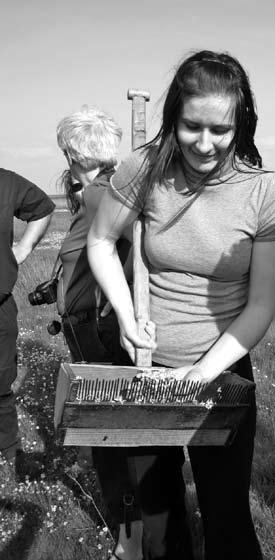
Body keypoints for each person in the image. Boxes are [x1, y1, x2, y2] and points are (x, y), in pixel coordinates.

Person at [87, 50, 275, 560]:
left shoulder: (266, 194)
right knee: (158, 518)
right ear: (173, 118)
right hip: (145, 372)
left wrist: (202, 372)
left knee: (227, 516)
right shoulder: (144, 167)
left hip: (222, 375)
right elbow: (100, 240)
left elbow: (259, 308)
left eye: (220, 130)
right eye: (190, 126)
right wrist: (126, 314)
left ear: (241, 124)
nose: (204, 144)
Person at [56, 105, 143, 560]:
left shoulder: (100, 193)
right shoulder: (103, 187)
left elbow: (129, 235)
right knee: (116, 430)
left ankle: (131, 537)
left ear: (73, 153)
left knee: (110, 434)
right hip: (88, 326)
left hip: (96, 331)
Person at [0, 169, 55, 467]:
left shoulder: (5, 183)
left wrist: (22, 248)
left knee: (1, 380)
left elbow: (43, 208)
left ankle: (10, 451)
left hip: (0, 305)